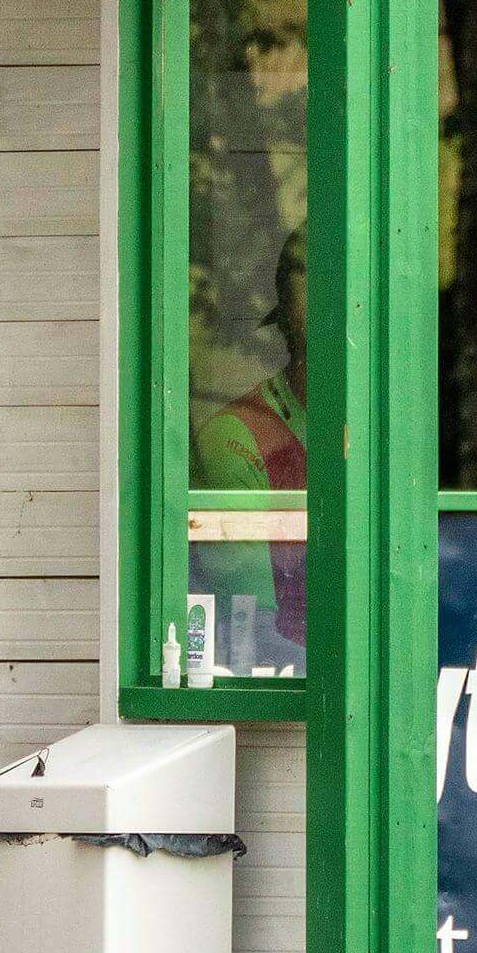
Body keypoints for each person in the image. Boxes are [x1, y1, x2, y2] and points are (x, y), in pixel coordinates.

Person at [190, 227, 308, 668]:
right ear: (288, 312)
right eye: (307, 277)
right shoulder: (239, 439)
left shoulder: (388, 432)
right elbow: (257, 633)